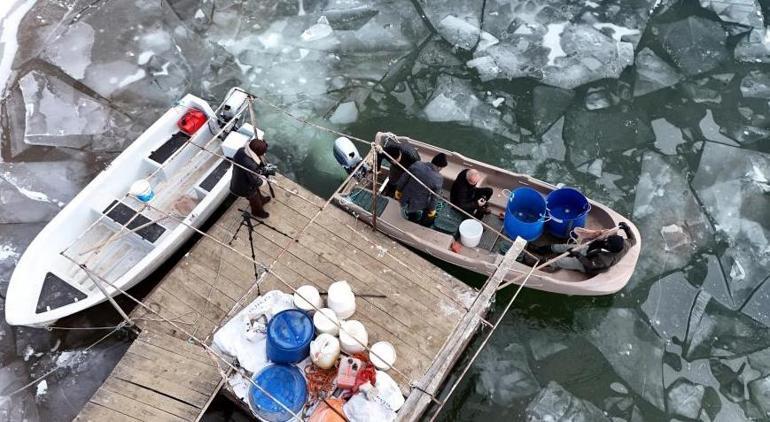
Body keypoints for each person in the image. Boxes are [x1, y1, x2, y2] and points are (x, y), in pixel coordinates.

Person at [527, 222, 636, 273]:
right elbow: (633, 239)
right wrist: (627, 228)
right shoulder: (626, 243)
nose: (605, 240)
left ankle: (537, 263)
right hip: (590, 250)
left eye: (607, 242)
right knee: (563, 247)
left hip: (586, 263)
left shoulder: (605, 260)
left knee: (560, 261)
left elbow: (589, 264)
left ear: (610, 248)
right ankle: (540, 250)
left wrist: (577, 255)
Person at [395, 153, 448, 227]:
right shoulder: (438, 178)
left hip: (405, 196)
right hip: (418, 203)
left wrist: (398, 190)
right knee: (427, 210)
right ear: (440, 167)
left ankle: (409, 217)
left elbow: (404, 178)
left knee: (408, 211)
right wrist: (432, 209)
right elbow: (434, 197)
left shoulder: (417, 164)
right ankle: (420, 223)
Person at [230, 138, 271, 219]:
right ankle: (257, 212)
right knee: (254, 199)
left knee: (256, 192)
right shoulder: (250, 165)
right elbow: (256, 182)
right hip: (245, 187)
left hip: (240, 179)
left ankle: (261, 200)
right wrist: (264, 179)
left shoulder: (241, 151)